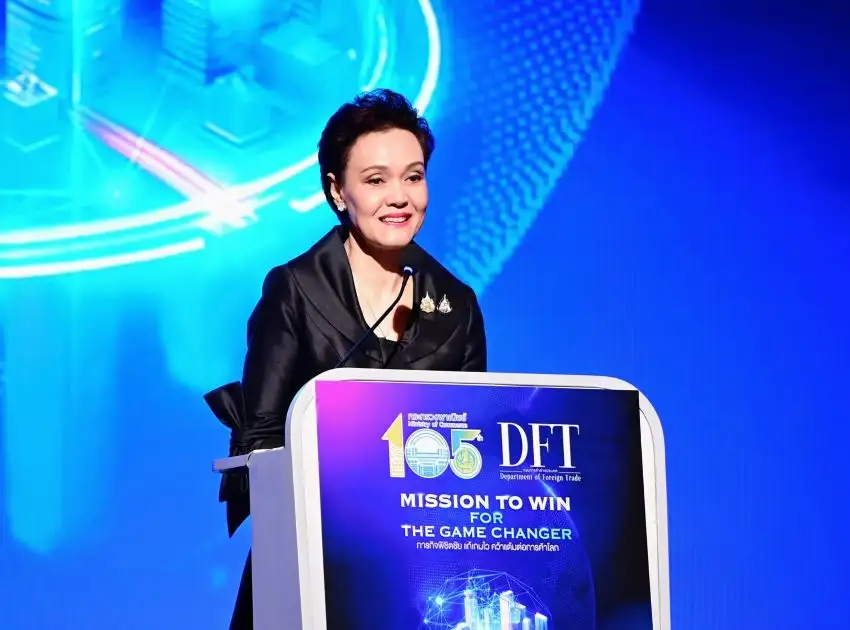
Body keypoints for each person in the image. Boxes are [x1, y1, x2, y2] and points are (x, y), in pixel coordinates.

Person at [225, 88, 487, 629]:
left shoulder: (457, 305)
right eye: (376, 180)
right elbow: (260, 439)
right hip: (307, 564)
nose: (400, 197)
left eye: (413, 177)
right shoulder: (295, 290)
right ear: (336, 191)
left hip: (420, 578)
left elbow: (472, 452)